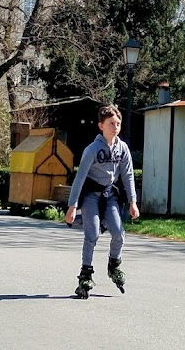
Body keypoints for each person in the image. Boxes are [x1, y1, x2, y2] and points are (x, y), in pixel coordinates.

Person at [64, 104, 139, 299]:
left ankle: (114, 266)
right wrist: (72, 207)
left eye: (118, 123)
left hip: (109, 195)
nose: (115, 127)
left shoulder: (122, 148)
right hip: (90, 195)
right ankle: (85, 276)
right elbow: (79, 178)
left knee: (119, 233)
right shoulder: (92, 149)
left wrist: (132, 202)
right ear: (101, 126)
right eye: (111, 123)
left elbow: (128, 175)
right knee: (92, 234)